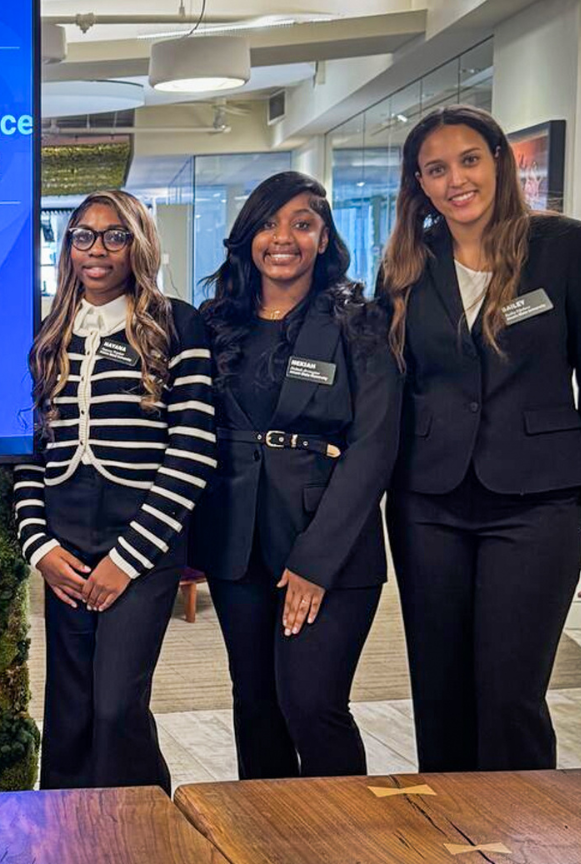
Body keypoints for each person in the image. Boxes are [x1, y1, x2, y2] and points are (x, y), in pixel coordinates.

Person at [379, 104, 581, 772]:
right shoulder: (406, 267)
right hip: (428, 504)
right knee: (439, 693)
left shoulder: (571, 248)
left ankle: (524, 835)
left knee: (511, 694)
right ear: (419, 183)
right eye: (436, 169)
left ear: (500, 161)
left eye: (469, 160)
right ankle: (446, 833)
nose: (455, 181)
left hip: (539, 504)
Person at [191, 171, 400, 780]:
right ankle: (265, 837)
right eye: (268, 224)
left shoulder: (360, 322)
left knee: (311, 705)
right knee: (254, 706)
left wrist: (315, 562)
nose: (283, 239)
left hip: (328, 546)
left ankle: (343, 840)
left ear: (324, 237)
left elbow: (373, 447)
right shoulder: (214, 321)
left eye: (302, 224)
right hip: (237, 543)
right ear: (247, 239)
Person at [12, 190, 214, 792]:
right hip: (64, 545)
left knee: (116, 708)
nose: (96, 250)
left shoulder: (179, 323)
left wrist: (126, 560)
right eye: (82, 236)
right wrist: (39, 548)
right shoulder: (46, 332)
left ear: (138, 244)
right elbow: (27, 450)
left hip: (142, 548)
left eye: (114, 235)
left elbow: (194, 450)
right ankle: (71, 838)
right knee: (70, 714)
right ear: (67, 248)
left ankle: (144, 831)